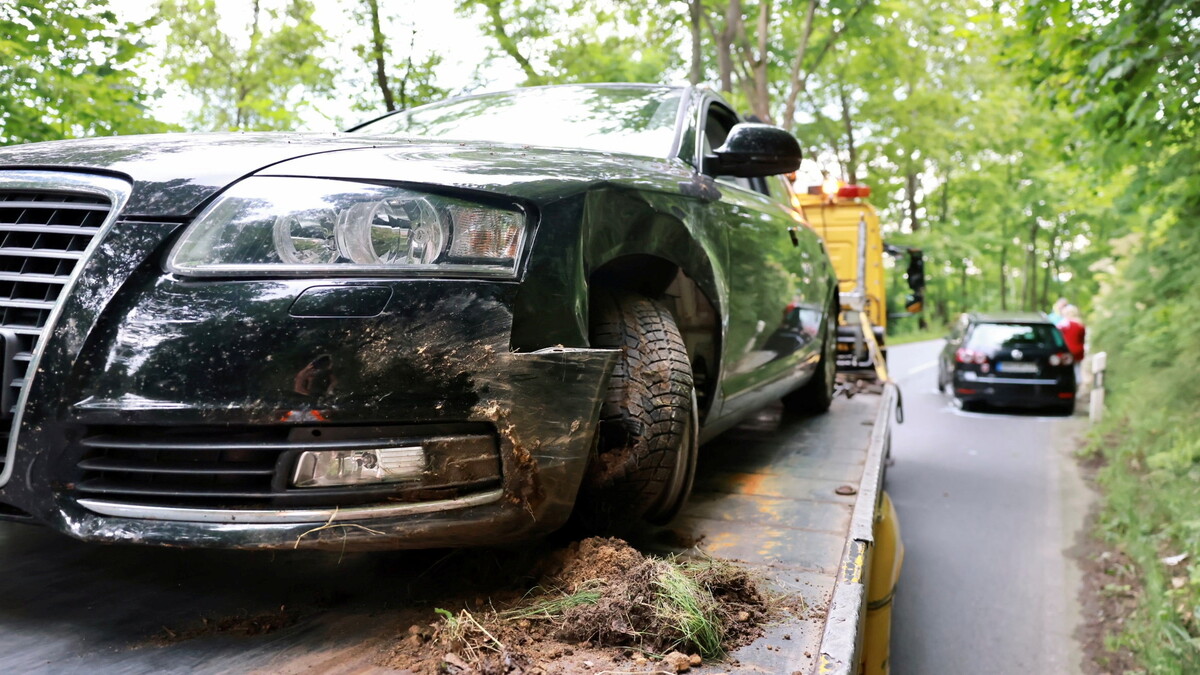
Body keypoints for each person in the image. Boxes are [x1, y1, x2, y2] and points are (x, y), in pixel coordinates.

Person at [1057, 305, 1086, 382]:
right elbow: (1082, 339)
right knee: (1077, 370)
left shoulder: (1062, 324)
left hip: (1066, 352)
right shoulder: (1080, 325)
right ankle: (1077, 386)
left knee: (1064, 370)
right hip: (1077, 351)